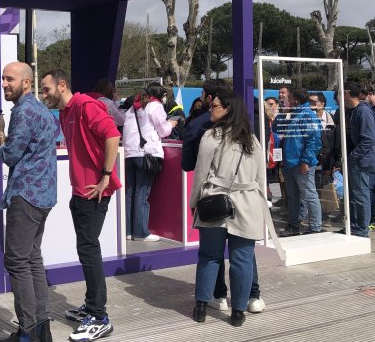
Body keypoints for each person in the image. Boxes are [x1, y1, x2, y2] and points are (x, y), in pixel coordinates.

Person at [40, 69, 121, 342]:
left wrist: (105, 176)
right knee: (86, 248)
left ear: (62, 86)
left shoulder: (86, 105)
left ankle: (99, 317)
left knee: (89, 249)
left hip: (94, 192)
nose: (44, 95)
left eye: (46, 89)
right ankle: (92, 305)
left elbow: (112, 135)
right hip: (80, 192)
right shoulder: (65, 113)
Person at [0, 62, 58, 342]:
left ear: (26, 83)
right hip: (43, 195)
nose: (4, 83)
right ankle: (43, 330)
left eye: (10, 79)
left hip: (26, 195)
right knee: (32, 259)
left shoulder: (24, 111)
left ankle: (27, 334)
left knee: (17, 261)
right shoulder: (42, 110)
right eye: (3, 78)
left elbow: (11, 155)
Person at [182, 79, 265, 314]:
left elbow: (200, 173)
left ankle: (201, 307)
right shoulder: (251, 140)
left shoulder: (212, 136)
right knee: (242, 259)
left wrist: (194, 201)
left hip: (214, 201)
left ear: (227, 109)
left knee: (209, 256)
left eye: (215, 106)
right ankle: (238, 311)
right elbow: (260, 178)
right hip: (247, 204)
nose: (210, 109)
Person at [122, 83, 177, 241]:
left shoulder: (133, 107)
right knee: (142, 193)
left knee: (130, 193)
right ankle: (141, 232)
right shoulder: (155, 106)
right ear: (160, 95)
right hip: (146, 153)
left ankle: (128, 231)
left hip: (129, 153)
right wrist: (171, 124)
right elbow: (163, 131)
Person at [279, 88, 323, 236]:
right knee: (292, 196)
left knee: (309, 195)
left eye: (289, 97)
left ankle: (315, 226)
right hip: (290, 162)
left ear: (295, 100)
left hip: (301, 163)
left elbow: (313, 141)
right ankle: (294, 224)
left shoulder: (307, 115)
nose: (286, 99)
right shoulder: (294, 114)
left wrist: (306, 161)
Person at [342, 82, 375, 237]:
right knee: (355, 195)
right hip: (356, 159)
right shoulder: (352, 111)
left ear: (347, 93)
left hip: (361, 161)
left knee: (361, 195)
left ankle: (361, 229)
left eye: (340, 93)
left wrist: (353, 156)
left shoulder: (363, 111)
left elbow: (368, 139)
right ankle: (355, 226)